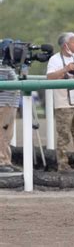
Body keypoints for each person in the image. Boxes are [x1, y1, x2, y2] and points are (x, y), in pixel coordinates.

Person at [46, 32, 74, 172]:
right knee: (64, 136)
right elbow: (50, 77)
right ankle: (63, 165)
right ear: (66, 45)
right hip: (62, 104)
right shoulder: (54, 59)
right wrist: (65, 69)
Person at [0, 40, 21, 173]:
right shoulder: (2, 66)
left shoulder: (9, 66)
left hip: (10, 104)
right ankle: (2, 161)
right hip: (4, 105)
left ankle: (6, 160)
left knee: (7, 135)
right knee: (2, 135)